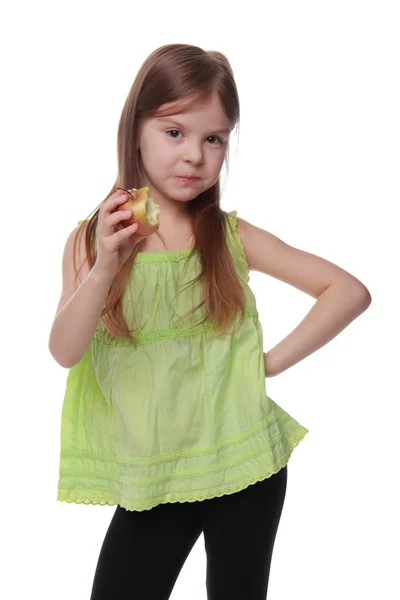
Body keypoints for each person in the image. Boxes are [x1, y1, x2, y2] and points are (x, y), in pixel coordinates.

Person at [48, 43, 372, 600]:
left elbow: (347, 291)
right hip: (157, 478)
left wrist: (264, 365)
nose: (195, 155)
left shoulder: (229, 238)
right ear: (137, 131)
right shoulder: (94, 240)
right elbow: (65, 350)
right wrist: (103, 266)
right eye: (175, 132)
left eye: (214, 138)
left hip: (246, 463)